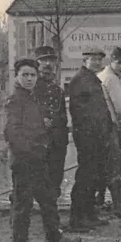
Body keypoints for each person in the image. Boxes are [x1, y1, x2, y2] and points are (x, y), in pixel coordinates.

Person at [4, 59, 81, 242]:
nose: (29, 79)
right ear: (17, 76)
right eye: (25, 75)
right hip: (24, 160)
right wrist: (29, 151)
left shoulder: (32, 98)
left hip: (38, 158)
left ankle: (54, 238)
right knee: (23, 203)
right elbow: (12, 132)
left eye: (32, 75)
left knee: (47, 199)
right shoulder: (15, 100)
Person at [68, 47, 113, 232]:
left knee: (94, 176)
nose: (97, 63)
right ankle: (77, 218)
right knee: (85, 177)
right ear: (85, 60)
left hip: (97, 136)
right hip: (88, 136)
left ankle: (89, 214)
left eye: (99, 60)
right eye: (93, 59)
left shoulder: (92, 79)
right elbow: (79, 112)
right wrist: (90, 133)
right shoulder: (80, 80)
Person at [97, 47, 121, 218]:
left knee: (102, 164)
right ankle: (119, 206)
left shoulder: (101, 75)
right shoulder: (111, 79)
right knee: (115, 166)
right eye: (119, 63)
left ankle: (99, 201)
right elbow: (120, 105)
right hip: (109, 126)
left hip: (99, 126)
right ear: (111, 61)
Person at [33, 46, 69, 199]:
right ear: (37, 63)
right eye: (44, 60)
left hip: (57, 142)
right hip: (39, 141)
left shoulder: (58, 90)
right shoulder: (31, 87)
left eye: (51, 60)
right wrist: (39, 119)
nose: (48, 64)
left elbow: (62, 116)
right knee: (38, 178)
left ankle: (52, 215)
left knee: (55, 178)